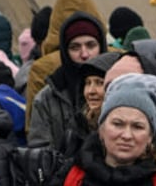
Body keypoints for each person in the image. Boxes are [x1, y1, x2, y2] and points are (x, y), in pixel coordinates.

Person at [28, 10, 107, 150]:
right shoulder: (47, 98)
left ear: (101, 46)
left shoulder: (119, 88)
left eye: (91, 45)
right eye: (75, 47)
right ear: (65, 51)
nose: (84, 54)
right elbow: (40, 152)